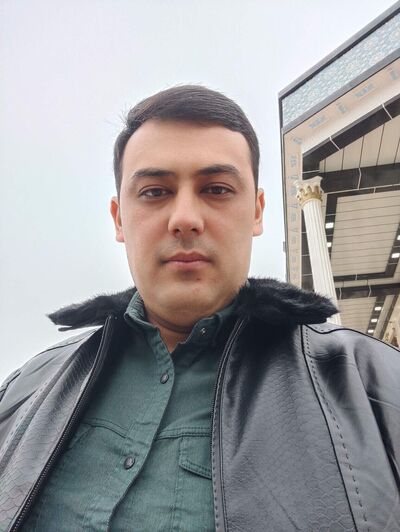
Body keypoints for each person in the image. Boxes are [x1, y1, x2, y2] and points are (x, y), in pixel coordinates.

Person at [0, 85, 399, 532]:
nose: (185, 218)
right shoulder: (21, 392)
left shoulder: (376, 386)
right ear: (118, 218)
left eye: (216, 189)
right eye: (155, 192)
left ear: (257, 212)